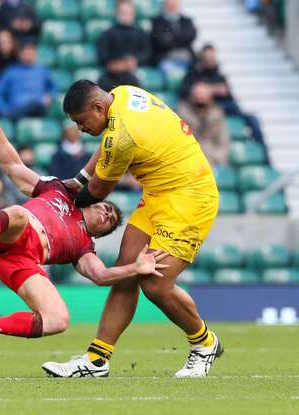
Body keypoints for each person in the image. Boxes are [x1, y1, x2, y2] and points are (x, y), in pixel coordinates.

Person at [0, 96, 167, 341]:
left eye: (109, 220)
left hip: (21, 262)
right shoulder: (59, 190)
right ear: (94, 201)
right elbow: (13, 167)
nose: (105, 213)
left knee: (58, 319)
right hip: (11, 232)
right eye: (106, 208)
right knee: (18, 212)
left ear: (100, 233)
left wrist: (136, 267)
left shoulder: (83, 247)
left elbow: (101, 276)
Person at [43, 80, 222, 379]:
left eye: (81, 121)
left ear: (98, 108)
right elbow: (106, 146)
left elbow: (98, 190)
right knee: (127, 270)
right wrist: (77, 180)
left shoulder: (122, 135)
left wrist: (63, 203)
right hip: (159, 192)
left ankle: (204, 343)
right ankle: (97, 359)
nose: (80, 128)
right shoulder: (122, 93)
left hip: (190, 197)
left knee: (155, 283)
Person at [180, 44, 266, 149]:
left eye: (212, 57)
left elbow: (228, 94)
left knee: (253, 119)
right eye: (208, 57)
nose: (210, 60)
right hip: (206, 110)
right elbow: (186, 92)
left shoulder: (219, 75)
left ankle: (264, 154)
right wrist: (213, 90)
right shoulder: (193, 74)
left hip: (223, 106)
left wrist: (211, 90)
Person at [0, 41, 56, 120]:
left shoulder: (42, 70)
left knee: (35, 105)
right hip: (17, 109)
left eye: (31, 54)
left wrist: (50, 96)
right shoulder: (10, 71)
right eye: (26, 54)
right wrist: (4, 109)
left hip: (38, 109)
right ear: (20, 54)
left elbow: (54, 87)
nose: (29, 56)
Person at [96, 1, 149, 92]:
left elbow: (147, 52)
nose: (126, 16)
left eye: (129, 13)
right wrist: (116, 64)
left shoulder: (140, 32)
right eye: (123, 13)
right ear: (117, 13)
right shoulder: (108, 33)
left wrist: (135, 60)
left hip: (133, 72)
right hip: (111, 75)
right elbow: (102, 55)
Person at [177, 83, 230, 166]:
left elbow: (224, 141)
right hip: (189, 159)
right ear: (192, 96)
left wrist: (217, 159)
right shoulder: (182, 113)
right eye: (198, 95)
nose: (200, 98)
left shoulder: (217, 114)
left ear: (210, 98)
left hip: (213, 159)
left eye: (203, 95)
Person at [150, 0, 196, 76]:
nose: (172, 7)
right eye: (169, 4)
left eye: (174, 4)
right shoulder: (157, 21)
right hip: (166, 58)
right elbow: (161, 41)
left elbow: (191, 36)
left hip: (187, 58)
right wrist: (181, 38)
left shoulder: (187, 20)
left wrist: (171, 37)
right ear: (165, 5)